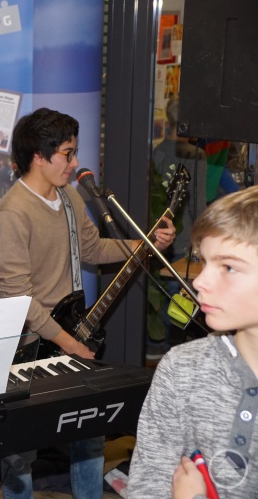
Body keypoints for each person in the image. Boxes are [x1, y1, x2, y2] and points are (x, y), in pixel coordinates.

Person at [0, 108, 175, 498]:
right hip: (34, 346)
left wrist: (145, 245)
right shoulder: (13, 211)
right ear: (39, 156)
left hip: (75, 335)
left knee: (89, 436)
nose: (75, 163)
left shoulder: (69, 195)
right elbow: (16, 294)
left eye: (75, 153)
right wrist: (67, 342)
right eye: (67, 154)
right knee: (21, 452)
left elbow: (92, 247)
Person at [129, 185, 258, 498]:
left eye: (228, 267)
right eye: (204, 261)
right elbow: (148, 486)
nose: (199, 281)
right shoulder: (182, 368)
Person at [149, 96, 208, 356]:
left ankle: (155, 347)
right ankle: (173, 353)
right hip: (183, 243)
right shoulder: (196, 154)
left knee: (159, 300)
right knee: (181, 307)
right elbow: (198, 203)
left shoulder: (156, 151)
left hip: (159, 239)